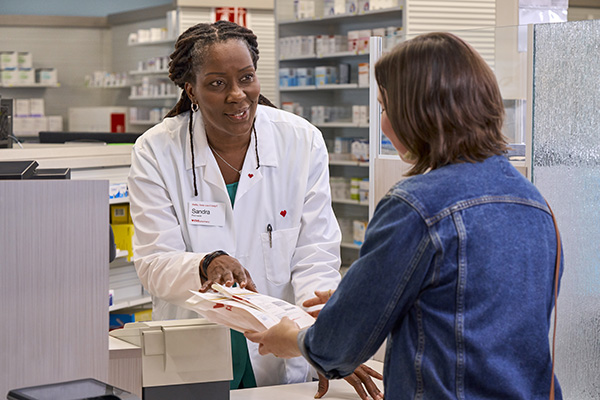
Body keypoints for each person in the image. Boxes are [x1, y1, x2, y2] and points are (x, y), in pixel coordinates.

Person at [246, 32, 564, 399]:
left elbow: (336, 349)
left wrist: (292, 339)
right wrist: (366, 295)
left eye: (384, 108)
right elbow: (485, 314)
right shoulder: (535, 203)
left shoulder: (415, 206)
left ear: (416, 113)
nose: (382, 124)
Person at [127, 20, 382, 398]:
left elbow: (315, 255)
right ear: (191, 89)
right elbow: (152, 262)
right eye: (216, 83)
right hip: (195, 342)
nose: (237, 94)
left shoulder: (301, 140)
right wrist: (204, 263)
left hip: (278, 347)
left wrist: (321, 339)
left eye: (246, 77)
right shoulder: (156, 150)